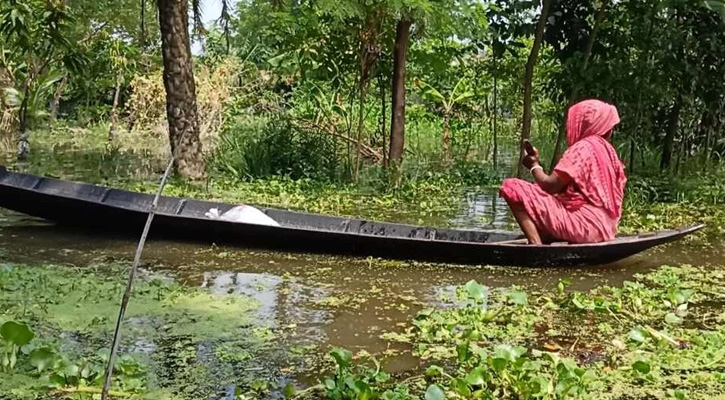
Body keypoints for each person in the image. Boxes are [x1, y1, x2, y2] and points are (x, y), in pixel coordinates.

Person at [499, 99, 627, 245]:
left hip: (585, 228)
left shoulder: (583, 148)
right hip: (606, 229)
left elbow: (550, 185)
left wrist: (534, 165)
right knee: (542, 195)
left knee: (512, 187)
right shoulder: (610, 153)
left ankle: (535, 246)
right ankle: (549, 237)